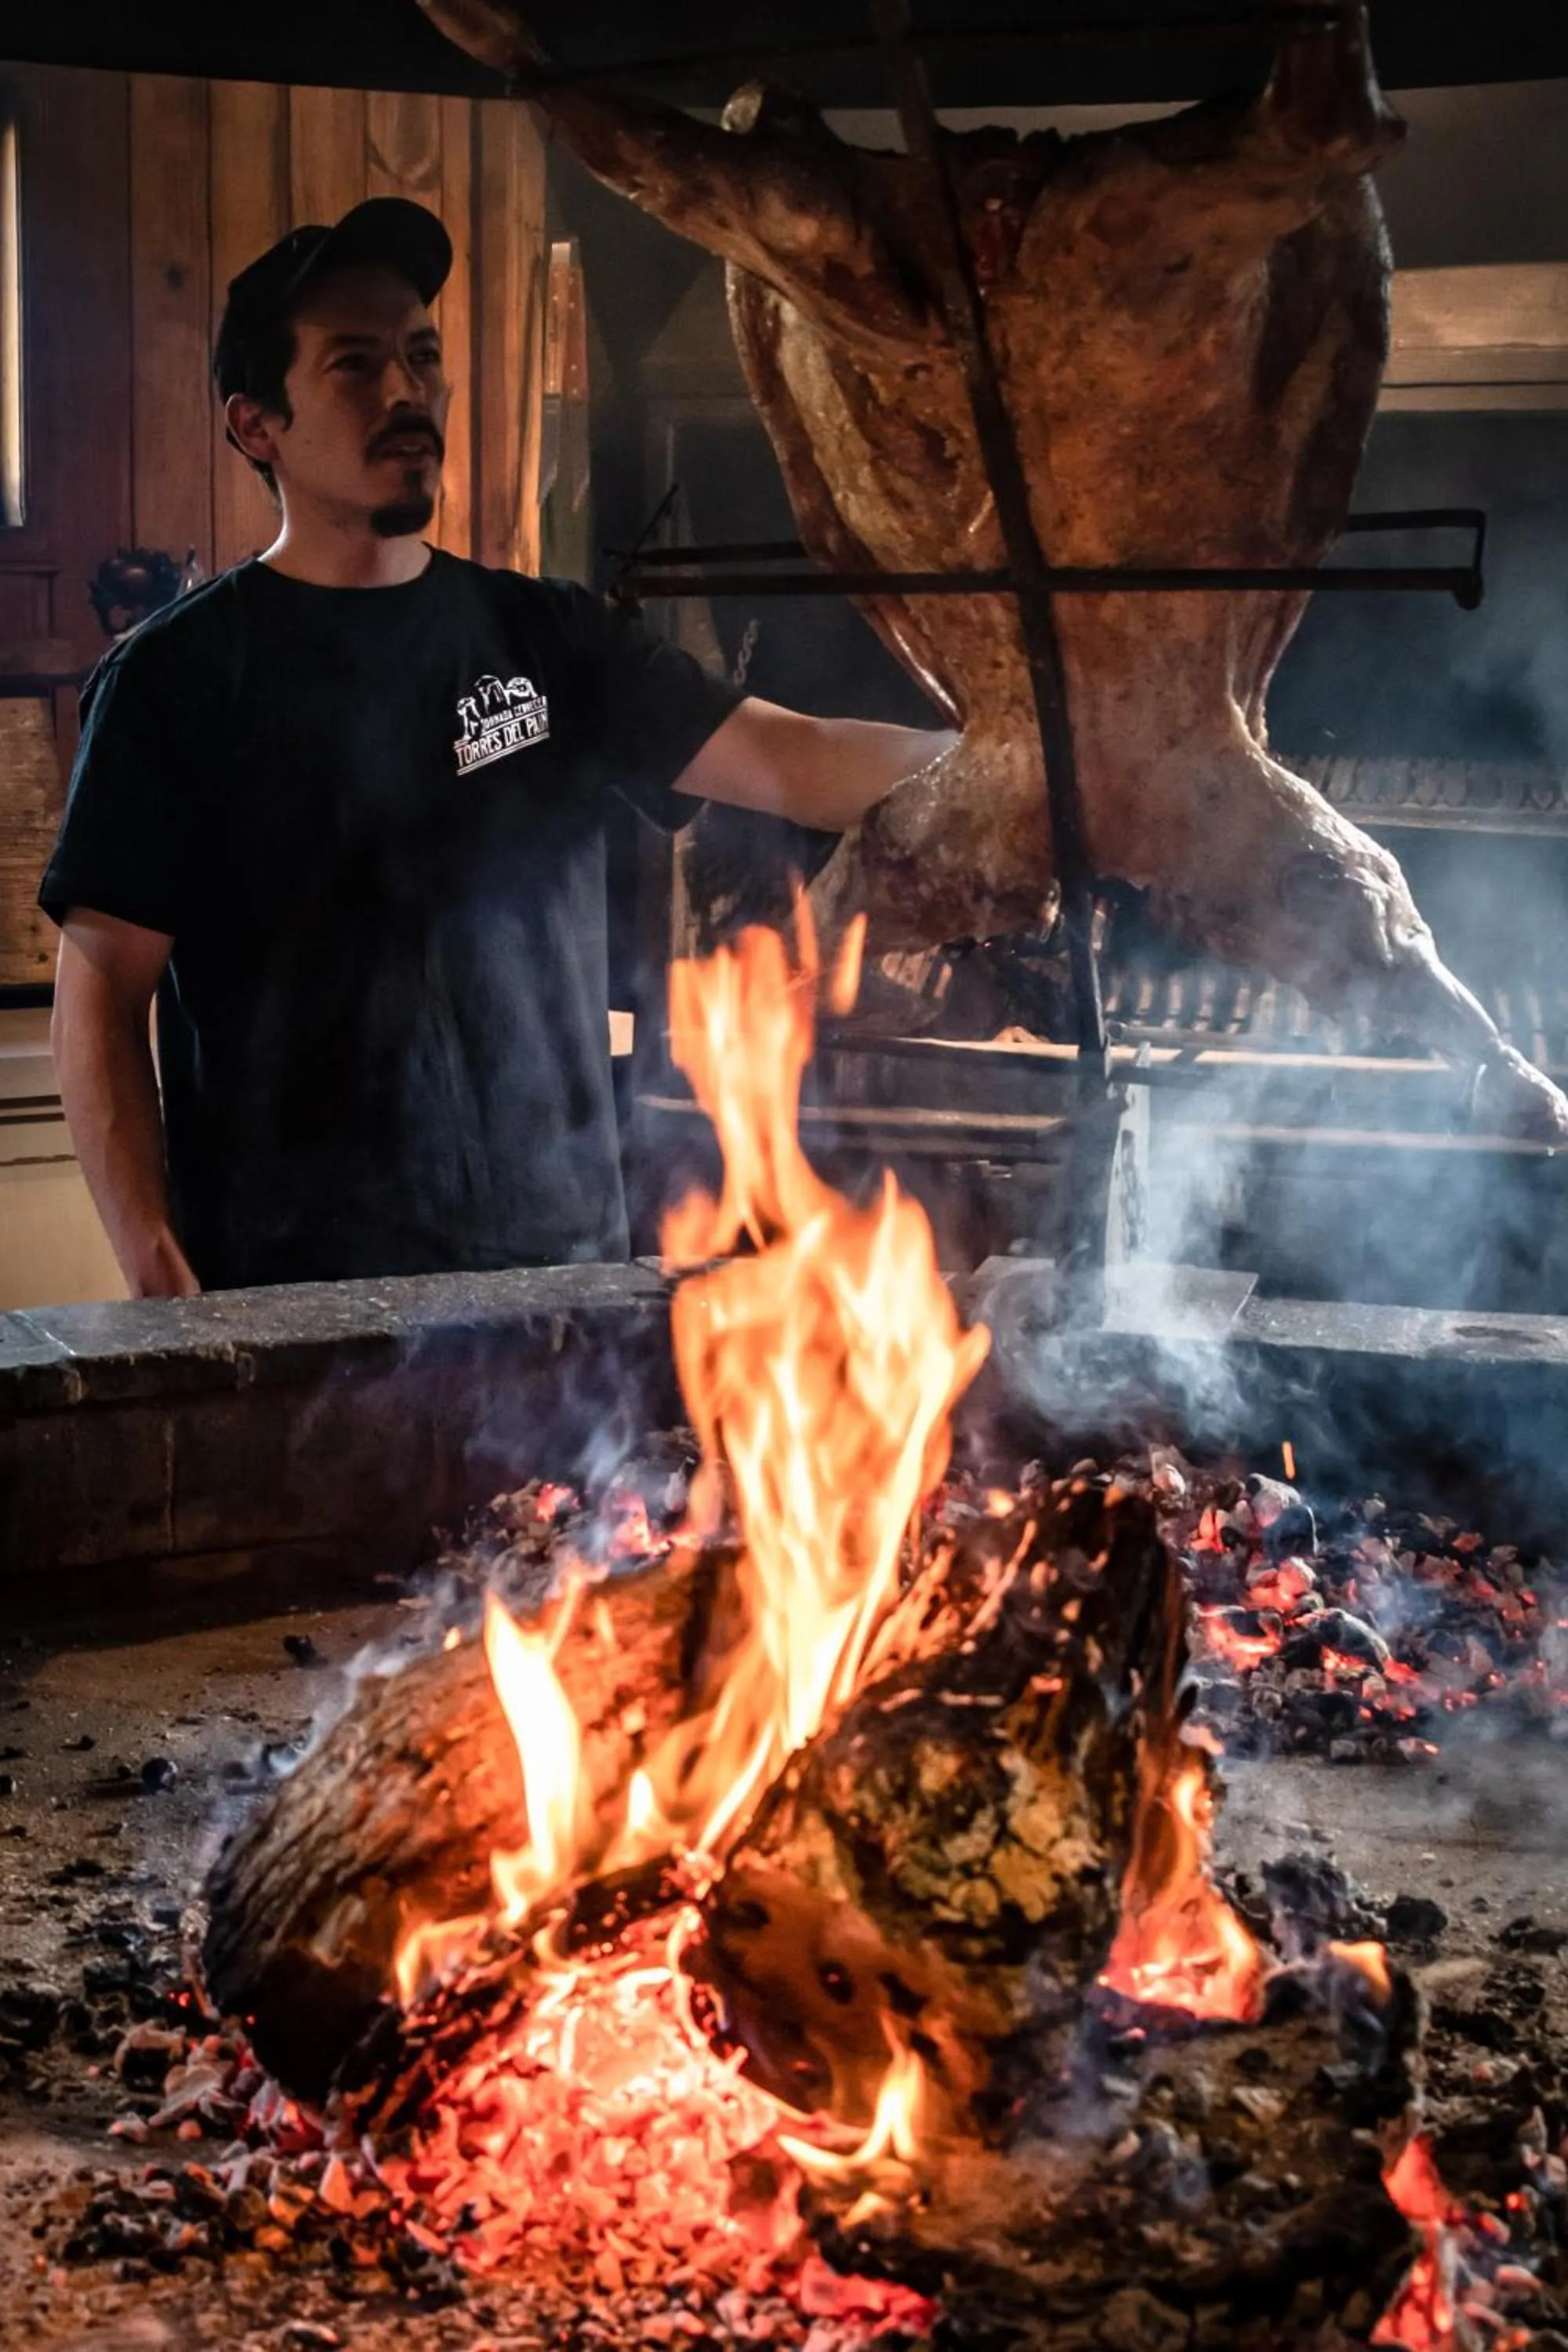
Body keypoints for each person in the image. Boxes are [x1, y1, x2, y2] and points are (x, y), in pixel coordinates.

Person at [40, 198, 957, 1297]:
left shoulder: (550, 637)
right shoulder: (177, 679)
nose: (406, 392)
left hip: (553, 1279)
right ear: (256, 426)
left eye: (422, 357)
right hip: (297, 1296)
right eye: (354, 365)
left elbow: (798, 762)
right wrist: (156, 1265)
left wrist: (1027, 766)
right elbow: (98, 998)